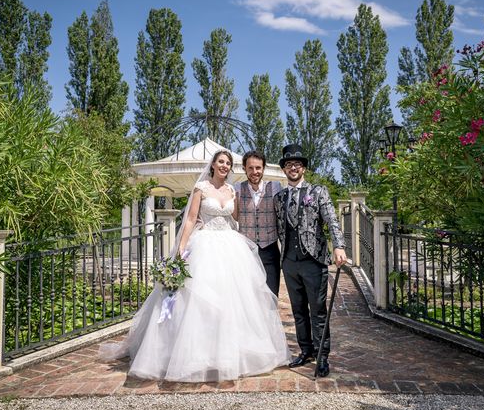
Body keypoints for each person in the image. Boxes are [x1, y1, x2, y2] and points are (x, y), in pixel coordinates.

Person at [101, 150, 290, 382]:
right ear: (213, 164)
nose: (224, 165)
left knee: (231, 301)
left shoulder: (233, 190)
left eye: (228, 163)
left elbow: (238, 218)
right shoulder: (201, 188)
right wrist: (181, 247)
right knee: (201, 301)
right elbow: (190, 219)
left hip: (230, 246)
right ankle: (197, 354)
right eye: (221, 162)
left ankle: (230, 354)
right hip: (205, 244)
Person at [274, 143, 346, 378]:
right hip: (290, 262)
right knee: (298, 311)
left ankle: (322, 355)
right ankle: (305, 350)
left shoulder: (318, 191)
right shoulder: (279, 197)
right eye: (288, 164)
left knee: (318, 310)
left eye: (296, 164)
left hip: (313, 259)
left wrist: (339, 246)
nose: (292, 168)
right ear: (284, 169)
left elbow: (332, 221)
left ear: (303, 168)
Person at [236, 150, 283, 296]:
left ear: (263, 168)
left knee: (271, 295)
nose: (254, 171)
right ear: (244, 168)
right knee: (249, 297)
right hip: (246, 253)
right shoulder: (236, 188)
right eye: (250, 168)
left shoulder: (275, 187)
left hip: (270, 249)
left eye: (258, 168)